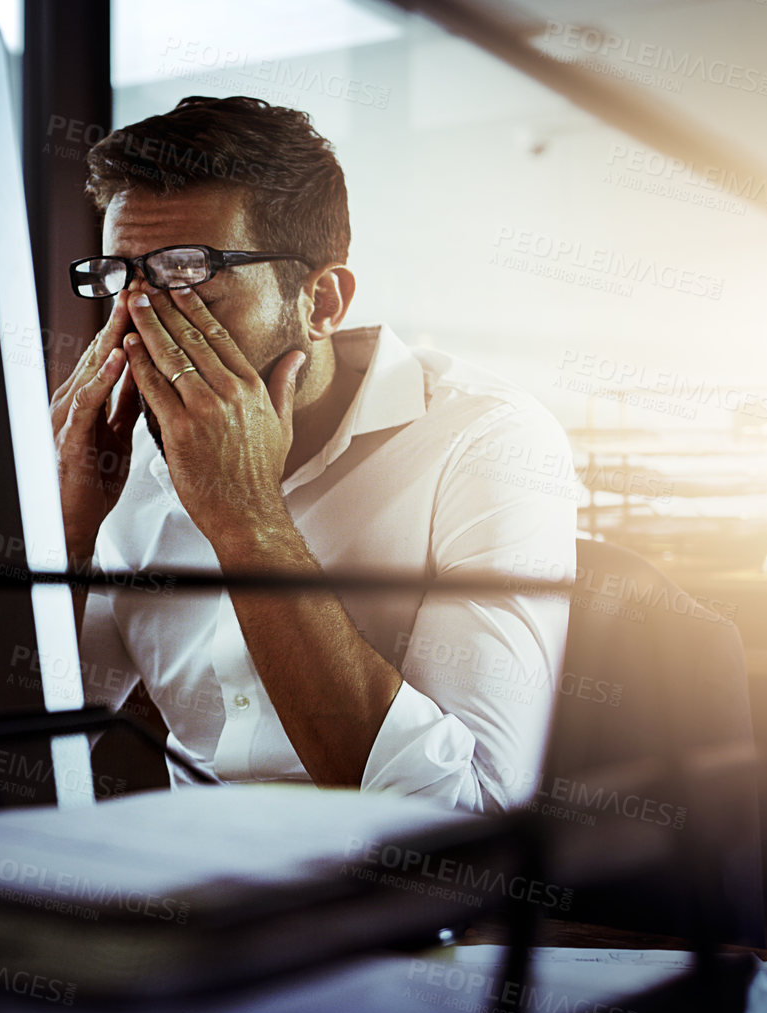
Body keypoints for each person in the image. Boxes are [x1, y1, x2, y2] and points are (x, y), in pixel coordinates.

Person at [50, 96, 575, 813]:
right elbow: (11, 750)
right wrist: (64, 531)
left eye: (185, 272)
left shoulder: (486, 441)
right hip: (188, 892)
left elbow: (464, 816)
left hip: (399, 912)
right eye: (121, 279)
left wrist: (248, 521)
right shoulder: (123, 461)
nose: (139, 327)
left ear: (321, 303)